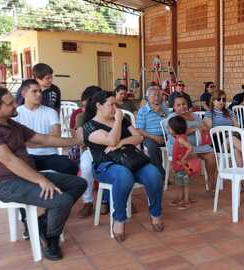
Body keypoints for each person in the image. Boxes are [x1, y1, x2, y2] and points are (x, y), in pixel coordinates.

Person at [0, 86, 86, 260]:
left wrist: (75, 140)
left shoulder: (12, 124)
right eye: (10, 104)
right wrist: (41, 180)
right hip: (6, 184)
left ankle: (43, 224)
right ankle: (51, 238)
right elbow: (9, 160)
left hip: (27, 175)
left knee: (79, 183)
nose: (15, 105)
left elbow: (44, 139)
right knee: (63, 200)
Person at [83, 91, 165, 242]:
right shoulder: (89, 126)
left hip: (131, 160)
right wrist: (118, 122)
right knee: (124, 175)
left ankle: (156, 212)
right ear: (99, 106)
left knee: (154, 174)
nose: (116, 108)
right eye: (111, 104)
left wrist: (122, 142)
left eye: (116, 104)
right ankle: (119, 219)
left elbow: (138, 137)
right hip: (106, 165)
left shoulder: (123, 119)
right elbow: (111, 140)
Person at [13, 79, 79, 176]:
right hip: (27, 156)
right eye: (34, 91)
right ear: (24, 94)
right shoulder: (16, 113)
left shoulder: (50, 112)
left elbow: (56, 136)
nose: (39, 94)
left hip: (50, 155)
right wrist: (48, 141)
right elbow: (17, 141)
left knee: (71, 166)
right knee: (18, 168)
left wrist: (31, 142)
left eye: (40, 91)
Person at [165, 96, 217, 190]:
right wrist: (193, 129)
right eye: (178, 105)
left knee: (211, 154)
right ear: (174, 107)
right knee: (188, 158)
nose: (182, 107)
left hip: (196, 146)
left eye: (184, 104)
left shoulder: (193, 115)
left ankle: (211, 181)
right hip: (180, 147)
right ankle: (183, 194)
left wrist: (204, 128)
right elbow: (175, 133)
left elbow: (204, 126)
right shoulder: (173, 118)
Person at [204, 90, 244, 169]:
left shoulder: (229, 112)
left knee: (236, 150)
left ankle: (239, 178)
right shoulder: (209, 113)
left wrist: (232, 132)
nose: (221, 101)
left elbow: (237, 127)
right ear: (213, 101)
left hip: (232, 138)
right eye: (219, 99)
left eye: (224, 99)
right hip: (218, 141)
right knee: (233, 139)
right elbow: (209, 130)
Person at [72, 85, 103, 217]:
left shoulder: (110, 113)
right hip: (90, 149)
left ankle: (119, 197)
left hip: (111, 148)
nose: (84, 108)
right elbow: (80, 139)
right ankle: (88, 201)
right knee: (85, 166)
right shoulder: (81, 117)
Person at [168, 116, 201, 210]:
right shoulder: (180, 137)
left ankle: (186, 200)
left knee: (184, 184)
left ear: (175, 129)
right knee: (180, 183)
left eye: (170, 128)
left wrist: (183, 158)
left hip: (182, 166)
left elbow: (190, 148)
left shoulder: (180, 139)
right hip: (179, 165)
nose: (168, 129)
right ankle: (181, 198)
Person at [136, 86, 170, 173]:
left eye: (159, 95)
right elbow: (139, 129)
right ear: (148, 97)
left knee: (179, 141)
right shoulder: (142, 111)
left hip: (166, 136)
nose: (157, 98)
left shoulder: (164, 108)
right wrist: (154, 137)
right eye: (154, 95)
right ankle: (160, 173)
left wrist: (160, 112)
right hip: (150, 137)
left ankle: (180, 170)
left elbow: (169, 122)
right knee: (152, 147)